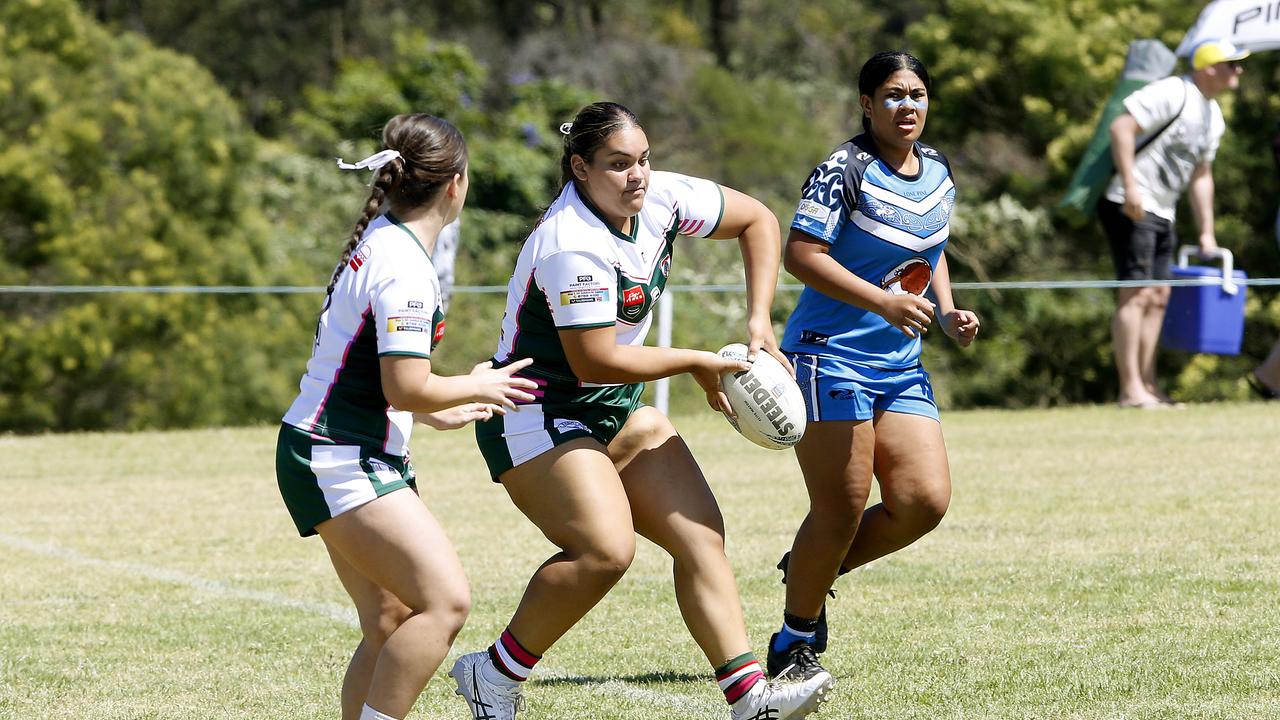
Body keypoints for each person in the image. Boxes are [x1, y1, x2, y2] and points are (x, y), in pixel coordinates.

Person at [448, 101, 833, 720]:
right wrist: (696, 362)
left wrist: (760, 321)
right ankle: (491, 674)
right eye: (619, 164)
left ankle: (751, 698)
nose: (638, 176)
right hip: (533, 411)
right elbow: (593, 360)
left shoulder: (661, 199)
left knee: (700, 531)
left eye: (644, 160)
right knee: (605, 551)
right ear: (580, 169)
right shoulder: (570, 244)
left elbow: (759, 220)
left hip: (611, 409)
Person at [274, 114, 538, 720]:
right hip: (337, 454)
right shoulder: (406, 264)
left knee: (390, 620)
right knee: (445, 603)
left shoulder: (387, 241)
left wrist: (438, 406)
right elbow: (406, 382)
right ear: (456, 184)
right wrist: (471, 384)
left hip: (331, 446)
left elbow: (385, 381)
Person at [766, 50, 979, 682]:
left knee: (923, 501)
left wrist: (945, 310)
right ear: (866, 104)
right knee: (840, 509)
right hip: (827, 356)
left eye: (916, 93)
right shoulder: (843, 169)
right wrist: (881, 300)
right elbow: (800, 255)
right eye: (891, 95)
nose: (906, 105)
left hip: (899, 364)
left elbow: (929, 245)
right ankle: (794, 639)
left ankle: (812, 564)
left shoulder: (936, 168)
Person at [1100, 38, 1248, 409]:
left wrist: (1206, 230)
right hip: (1130, 202)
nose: (1238, 71)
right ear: (1208, 67)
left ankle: (1148, 386)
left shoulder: (1214, 115)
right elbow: (1121, 128)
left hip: (1164, 211)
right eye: (1232, 64)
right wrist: (1132, 186)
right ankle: (1129, 389)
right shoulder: (1174, 91)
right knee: (1135, 294)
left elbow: (1201, 175)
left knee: (1160, 295)